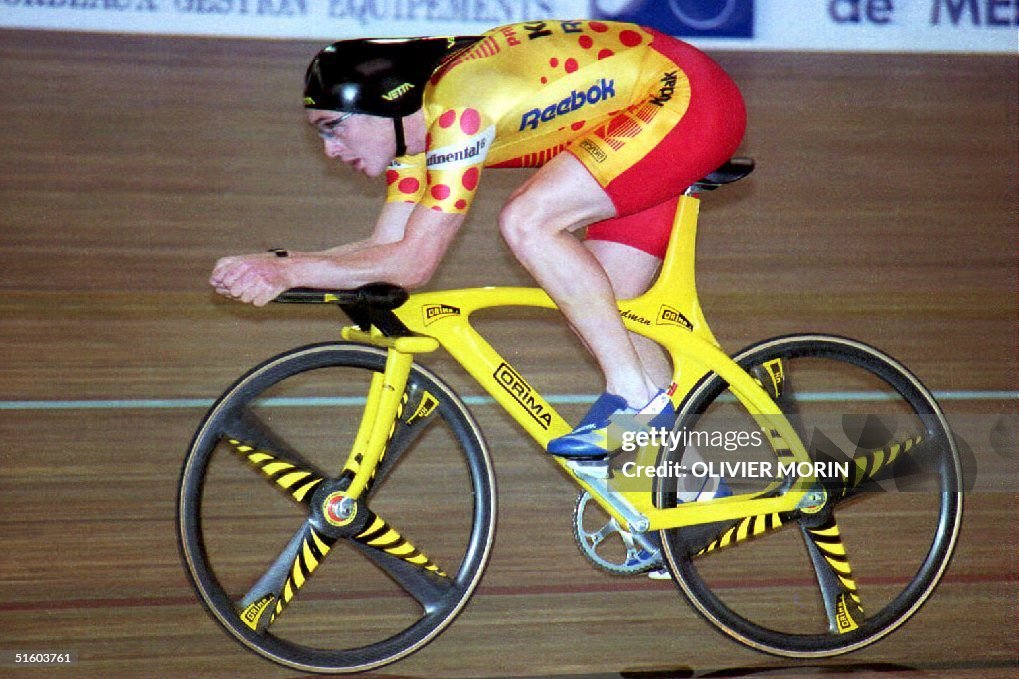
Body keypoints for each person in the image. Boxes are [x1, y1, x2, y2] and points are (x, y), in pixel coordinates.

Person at [210, 19, 746, 459]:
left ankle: (637, 398)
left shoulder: (460, 109)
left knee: (528, 221)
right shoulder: (415, 142)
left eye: (333, 126)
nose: (329, 149)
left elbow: (415, 263)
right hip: (634, 118)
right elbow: (387, 255)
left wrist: (290, 271)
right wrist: (283, 266)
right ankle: (688, 497)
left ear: (382, 105)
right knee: (606, 307)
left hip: (684, 96)